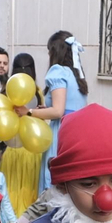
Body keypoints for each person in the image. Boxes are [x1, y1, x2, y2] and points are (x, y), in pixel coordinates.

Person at [27, 31, 89, 198]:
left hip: (62, 131)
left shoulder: (58, 71)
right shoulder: (77, 74)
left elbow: (58, 110)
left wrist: (30, 112)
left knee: (54, 181)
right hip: (79, 132)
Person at [1, 53, 44, 223]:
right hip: (33, 150)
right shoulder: (38, 92)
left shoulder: (6, 91)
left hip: (11, 149)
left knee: (9, 194)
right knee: (30, 194)